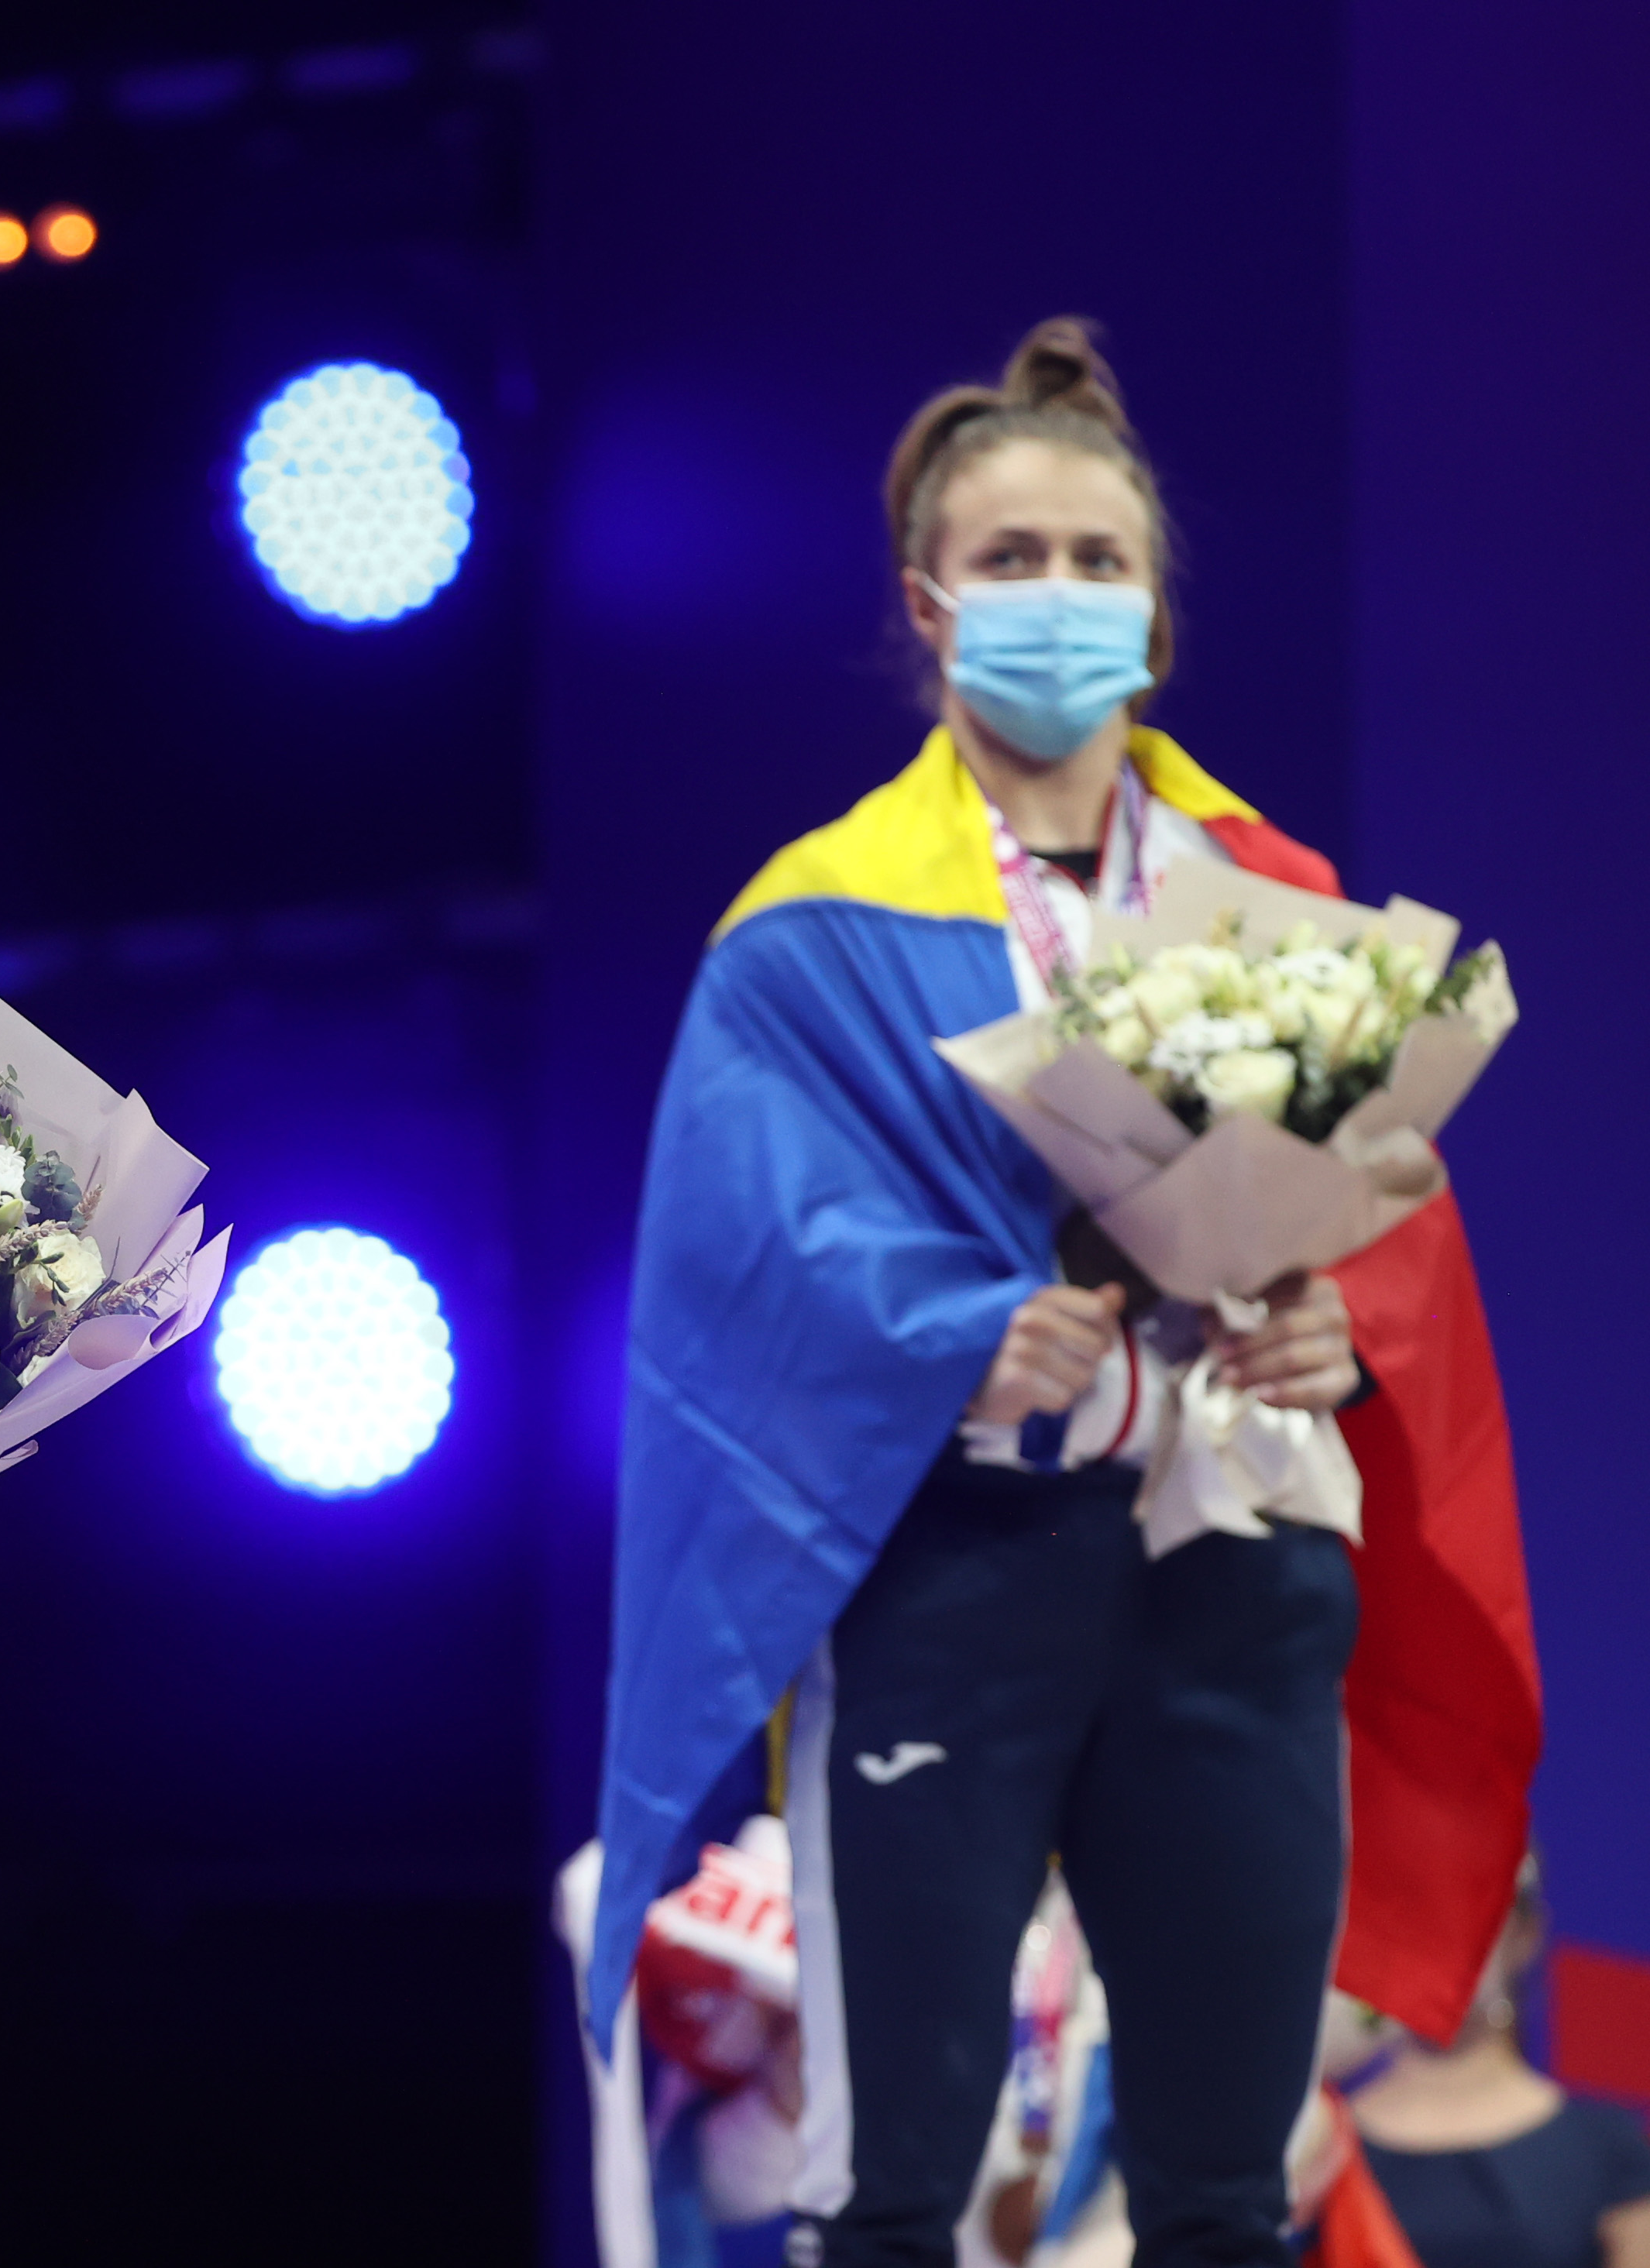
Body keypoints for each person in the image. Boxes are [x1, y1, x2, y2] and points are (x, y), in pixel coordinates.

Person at [582, 320, 1540, 2268]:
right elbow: (736, 1263)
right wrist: (951, 1337)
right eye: (1009, 559)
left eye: (1098, 561)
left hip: (1235, 1574)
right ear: (926, 604)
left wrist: (1339, 1329)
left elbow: (1389, 1225)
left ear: (1156, 614)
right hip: (952, 1575)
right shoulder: (812, 925)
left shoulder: (1276, 895)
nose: (1057, 594)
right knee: (890, 2194)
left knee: (1225, 2197)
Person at [1349, 1861, 1650, 2268]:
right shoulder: (1325, 2145)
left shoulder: (1606, 2150)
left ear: (1523, 1935)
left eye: (1467, 1913)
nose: (1438, 1941)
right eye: (1414, 1915)